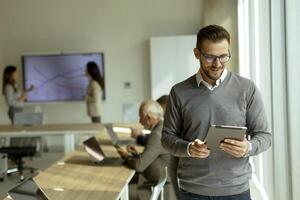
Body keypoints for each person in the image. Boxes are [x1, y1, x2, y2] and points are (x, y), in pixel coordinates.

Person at [161, 25, 272, 200]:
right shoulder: (179, 92)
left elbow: (264, 136)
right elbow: (167, 138)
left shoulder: (247, 89)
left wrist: (247, 147)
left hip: (236, 190)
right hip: (192, 191)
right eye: (210, 56)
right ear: (197, 53)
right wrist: (189, 148)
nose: (217, 63)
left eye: (223, 56)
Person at [117, 100, 170, 200]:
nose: (139, 121)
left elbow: (139, 166)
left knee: (118, 190)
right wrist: (136, 155)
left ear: (149, 118)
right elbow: (153, 156)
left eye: (141, 117)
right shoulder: (161, 128)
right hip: (156, 178)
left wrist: (126, 156)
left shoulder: (157, 135)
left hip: (151, 183)